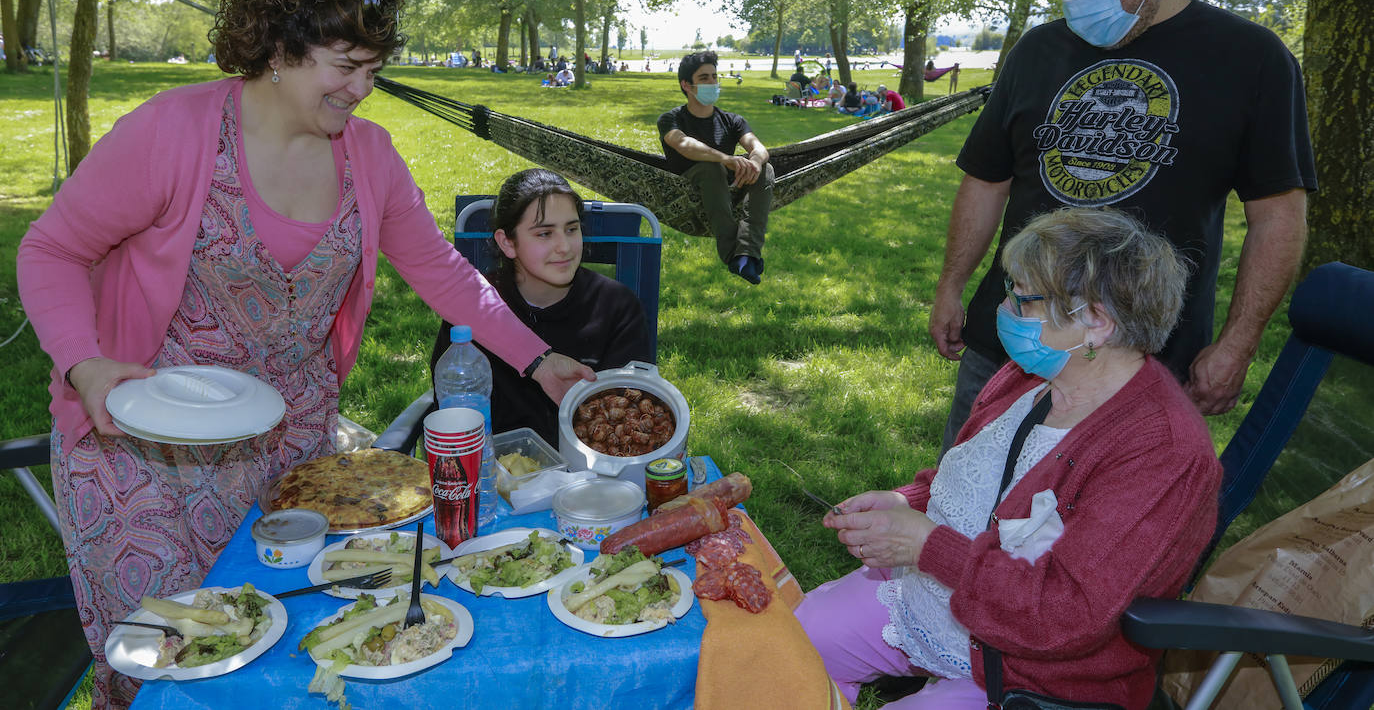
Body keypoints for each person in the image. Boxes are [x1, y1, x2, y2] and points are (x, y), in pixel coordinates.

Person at [15, 0, 594, 710]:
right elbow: (52, 248)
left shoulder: (372, 159)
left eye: (373, 68)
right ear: (281, 49)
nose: (362, 88)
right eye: (345, 65)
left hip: (290, 449)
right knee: (169, 661)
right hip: (139, 450)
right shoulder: (171, 133)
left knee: (281, 649)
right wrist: (83, 365)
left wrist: (538, 358)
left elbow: (445, 275)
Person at [928, 0, 1316, 455]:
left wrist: (1238, 345)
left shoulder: (1251, 59)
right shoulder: (1038, 51)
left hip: (1142, 366)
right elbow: (987, 180)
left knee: (1101, 535)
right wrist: (952, 284)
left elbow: (1278, 216)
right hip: (1012, 343)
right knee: (962, 504)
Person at [799, 207, 1222, 709]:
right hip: (934, 597)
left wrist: (928, 546)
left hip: (1034, 668)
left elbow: (1068, 616)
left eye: (1022, 299)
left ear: (1096, 321)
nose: (1003, 309)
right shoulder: (1034, 375)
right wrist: (904, 500)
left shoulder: (1162, 453)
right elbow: (975, 479)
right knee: (786, 644)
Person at [430, 169, 652, 446]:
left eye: (571, 229)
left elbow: (629, 426)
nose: (564, 247)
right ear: (507, 243)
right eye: (545, 233)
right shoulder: (472, 307)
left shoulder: (618, 308)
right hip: (492, 472)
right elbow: (453, 412)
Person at [658, 50, 773, 284]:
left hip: (726, 188)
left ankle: (747, 254)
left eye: (714, 76)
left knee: (765, 169)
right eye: (704, 78)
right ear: (686, 85)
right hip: (685, 190)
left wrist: (755, 162)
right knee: (710, 168)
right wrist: (725, 159)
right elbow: (683, 144)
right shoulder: (671, 119)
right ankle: (734, 254)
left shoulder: (732, 121)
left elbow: (758, 147)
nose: (712, 82)